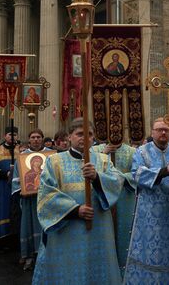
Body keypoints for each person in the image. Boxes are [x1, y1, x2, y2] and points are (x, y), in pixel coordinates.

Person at [32, 118, 122, 285]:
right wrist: (75, 210)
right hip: (67, 229)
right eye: (80, 134)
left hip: (98, 229)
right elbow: (46, 194)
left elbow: (116, 182)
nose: (85, 138)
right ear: (69, 137)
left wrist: (97, 178)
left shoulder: (103, 160)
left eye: (89, 134)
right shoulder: (54, 161)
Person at [123, 119, 169, 285]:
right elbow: (137, 174)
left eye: (165, 129)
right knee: (149, 249)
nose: (163, 133)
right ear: (152, 132)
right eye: (159, 130)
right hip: (149, 211)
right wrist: (165, 171)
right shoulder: (142, 152)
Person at [91, 140, 137, 272]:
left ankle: (125, 267)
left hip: (125, 198)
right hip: (102, 197)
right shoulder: (95, 151)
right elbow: (87, 170)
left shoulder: (132, 151)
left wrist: (117, 179)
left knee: (124, 232)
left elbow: (137, 173)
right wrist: (102, 155)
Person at [12, 129, 52, 271]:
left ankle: (48, 255)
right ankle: (29, 255)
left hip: (47, 199)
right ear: (29, 140)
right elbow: (16, 179)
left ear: (42, 139)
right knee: (28, 225)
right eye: (33, 137)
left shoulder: (51, 155)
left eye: (38, 137)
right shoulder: (22, 157)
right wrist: (23, 190)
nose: (36, 140)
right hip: (29, 200)